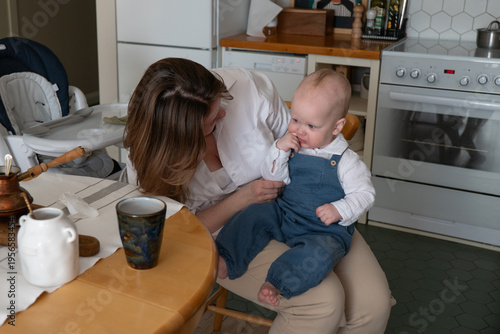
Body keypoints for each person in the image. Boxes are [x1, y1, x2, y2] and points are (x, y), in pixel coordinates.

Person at [124, 57, 395, 333]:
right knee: (322, 301)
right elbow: (173, 232)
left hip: (302, 207)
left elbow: (307, 149)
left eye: (219, 105)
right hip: (224, 232)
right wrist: (241, 199)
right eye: (210, 122)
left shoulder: (248, 89)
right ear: (180, 136)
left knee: (372, 306)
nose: (223, 115)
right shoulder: (148, 160)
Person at [215, 69, 375, 307]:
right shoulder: (290, 143)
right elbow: (273, 177)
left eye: (311, 125)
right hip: (285, 212)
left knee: (318, 255)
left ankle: (278, 283)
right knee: (253, 214)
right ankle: (227, 256)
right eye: (296, 119)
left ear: (336, 127)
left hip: (322, 230)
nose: (299, 130)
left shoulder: (346, 161)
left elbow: (365, 194)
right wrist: (278, 151)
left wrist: (339, 209)